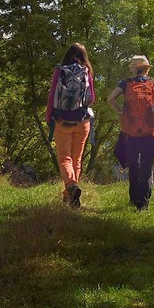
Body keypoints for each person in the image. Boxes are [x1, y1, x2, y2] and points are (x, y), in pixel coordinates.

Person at [109, 54, 154, 211]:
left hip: (131, 133)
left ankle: (134, 199)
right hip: (150, 133)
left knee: (134, 166)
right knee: (146, 168)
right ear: (147, 69)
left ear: (133, 69)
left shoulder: (125, 83)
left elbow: (111, 99)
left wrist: (121, 112)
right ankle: (143, 204)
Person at [47, 42, 96, 208]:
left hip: (62, 121)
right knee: (76, 159)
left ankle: (71, 187)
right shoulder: (86, 72)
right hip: (82, 121)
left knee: (64, 159)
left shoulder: (60, 71)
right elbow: (91, 99)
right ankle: (70, 195)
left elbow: (52, 96)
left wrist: (49, 118)